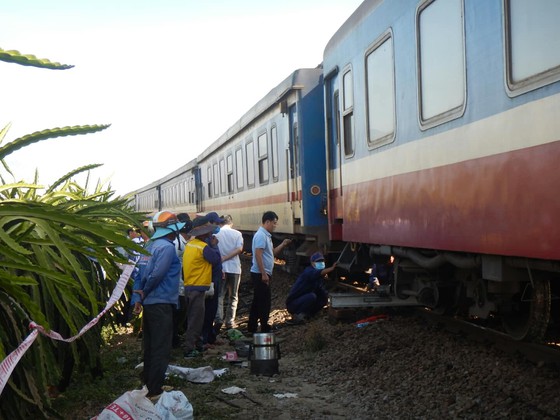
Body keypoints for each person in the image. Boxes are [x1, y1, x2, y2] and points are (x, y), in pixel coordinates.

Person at [131, 211, 185, 398]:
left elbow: (138, 274)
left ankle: (149, 383)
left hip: (150, 304)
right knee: (161, 347)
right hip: (162, 303)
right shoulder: (167, 248)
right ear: (172, 230)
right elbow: (157, 275)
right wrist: (145, 291)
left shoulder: (150, 245)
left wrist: (138, 298)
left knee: (150, 345)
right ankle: (154, 390)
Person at [182, 216, 221, 358]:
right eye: (209, 233)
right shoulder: (203, 247)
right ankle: (189, 349)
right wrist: (215, 245)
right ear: (204, 235)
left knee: (196, 317)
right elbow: (216, 260)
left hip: (190, 286)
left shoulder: (190, 245)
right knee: (195, 320)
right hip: (197, 288)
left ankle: (197, 344)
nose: (211, 235)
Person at [247, 211, 292, 334]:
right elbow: (258, 255)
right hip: (260, 274)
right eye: (274, 223)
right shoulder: (261, 235)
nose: (275, 226)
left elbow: (272, 253)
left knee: (257, 301)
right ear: (267, 222)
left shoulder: (266, 235)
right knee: (264, 301)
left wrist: (283, 244)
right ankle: (264, 326)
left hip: (262, 273)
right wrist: (263, 273)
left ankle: (252, 327)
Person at [286, 252, 337, 323]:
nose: (321, 263)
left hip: (304, 299)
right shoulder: (309, 271)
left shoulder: (318, 277)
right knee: (311, 296)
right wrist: (331, 268)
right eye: (318, 261)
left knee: (323, 298)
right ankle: (298, 315)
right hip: (293, 304)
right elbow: (319, 273)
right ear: (312, 263)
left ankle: (309, 314)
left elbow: (321, 290)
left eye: (322, 261)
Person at [214, 214, 244, 330]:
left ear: (220, 223)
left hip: (221, 269)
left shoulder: (216, 234)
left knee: (220, 295)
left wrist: (223, 259)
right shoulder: (237, 234)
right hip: (234, 268)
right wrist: (227, 257)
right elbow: (240, 249)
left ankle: (218, 319)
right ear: (231, 223)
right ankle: (230, 321)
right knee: (233, 296)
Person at [200, 212, 224, 346]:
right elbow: (214, 259)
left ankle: (210, 336)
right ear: (209, 223)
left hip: (215, 277)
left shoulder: (210, 238)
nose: (218, 226)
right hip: (210, 279)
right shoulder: (208, 242)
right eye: (216, 223)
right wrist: (214, 246)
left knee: (211, 309)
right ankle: (206, 338)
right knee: (209, 309)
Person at [171, 213, 193, 348]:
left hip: (179, 284)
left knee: (180, 312)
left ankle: (175, 337)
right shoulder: (178, 244)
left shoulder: (181, 242)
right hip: (176, 285)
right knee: (178, 312)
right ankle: (173, 339)